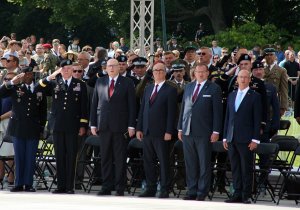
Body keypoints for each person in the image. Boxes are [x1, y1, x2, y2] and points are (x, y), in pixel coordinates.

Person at [37, 59, 88, 194]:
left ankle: (69, 186)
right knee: (59, 156)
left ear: (72, 69)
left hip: (73, 125)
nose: (66, 70)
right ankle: (60, 186)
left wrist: (83, 124)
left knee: (71, 156)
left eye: (69, 67)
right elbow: (38, 87)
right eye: (63, 68)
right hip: (58, 124)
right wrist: (51, 75)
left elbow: (84, 106)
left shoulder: (79, 84)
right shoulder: (54, 83)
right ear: (60, 69)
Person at [90, 59, 136, 196]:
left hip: (120, 126)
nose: (111, 68)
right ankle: (106, 186)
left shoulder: (127, 83)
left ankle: (120, 187)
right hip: (103, 125)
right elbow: (94, 104)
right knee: (105, 158)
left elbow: (132, 106)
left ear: (119, 68)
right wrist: (93, 123)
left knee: (120, 158)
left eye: (113, 66)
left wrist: (131, 125)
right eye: (108, 66)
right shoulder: (100, 81)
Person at [178, 64, 222, 201]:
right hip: (187, 130)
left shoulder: (214, 88)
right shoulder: (189, 87)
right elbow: (184, 108)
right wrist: (180, 127)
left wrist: (216, 131)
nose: (201, 74)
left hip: (204, 131)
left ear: (207, 73)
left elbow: (217, 112)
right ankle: (192, 190)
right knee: (190, 163)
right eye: (198, 72)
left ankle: (202, 191)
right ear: (194, 73)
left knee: (204, 163)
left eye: (203, 72)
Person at [0, 67, 47, 192]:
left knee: (30, 157)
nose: (27, 76)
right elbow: (1, 93)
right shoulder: (15, 87)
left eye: (30, 73)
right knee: (19, 157)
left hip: (33, 127)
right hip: (18, 127)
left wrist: (41, 127)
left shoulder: (39, 88)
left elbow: (43, 111)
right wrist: (11, 82)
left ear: (33, 75)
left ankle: (29, 183)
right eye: (25, 73)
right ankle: (18, 183)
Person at [136, 62, 177, 198]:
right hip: (147, 131)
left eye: (161, 70)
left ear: (165, 72)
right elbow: (143, 110)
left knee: (164, 161)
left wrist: (169, 131)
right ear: (152, 73)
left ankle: (165, 188)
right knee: (148, 161)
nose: (158, 72)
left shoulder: (170, 89)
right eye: (155, 70)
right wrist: (139, 128)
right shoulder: (148, 88)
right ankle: (151, 187)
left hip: (162, 132)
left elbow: (172, 113)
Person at [223, 70, 262, 204]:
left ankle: (246, 195)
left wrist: (255, 139)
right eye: (241, 77)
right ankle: (237, 193)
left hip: (246, 138)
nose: (243, 79)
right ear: (237, 79)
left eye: (246, 77)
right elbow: (228, 117)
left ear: (250, 79)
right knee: (235, 167)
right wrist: (225, 137)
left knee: (246, 168)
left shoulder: (255, 96)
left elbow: (257, 120)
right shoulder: (232, 95)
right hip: (232, 137)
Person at [263, 48, 289, 116]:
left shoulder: (281, 71)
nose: (269, 56)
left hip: (275, 103)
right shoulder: (260, 69)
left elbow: (284, 89)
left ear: (275, 56)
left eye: (271, 55)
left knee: (274, 125)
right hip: (261, 102)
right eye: (267, 55)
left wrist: (283, 106)